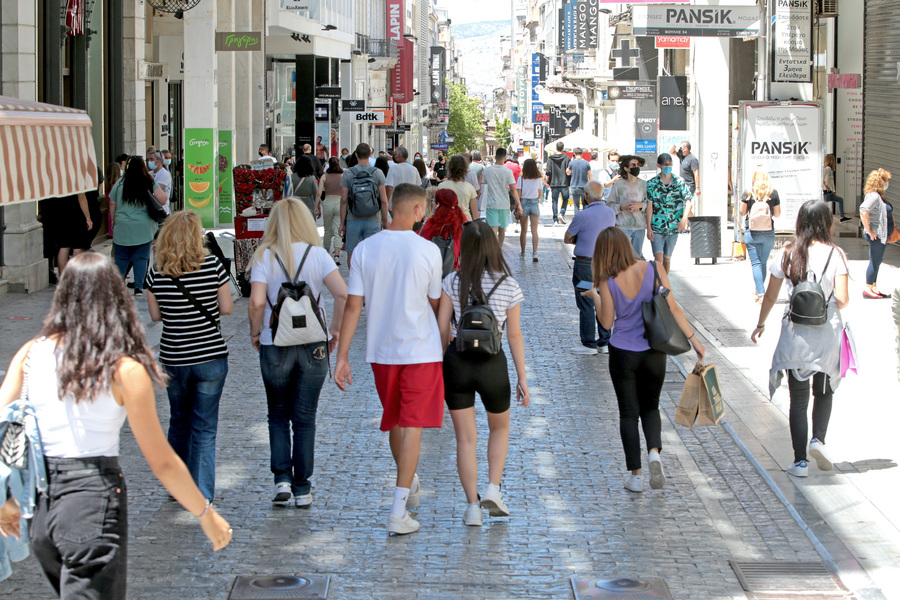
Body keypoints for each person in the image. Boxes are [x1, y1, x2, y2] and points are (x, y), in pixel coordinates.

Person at [0, 253, 231, 599]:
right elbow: (161, 460)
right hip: (93, 503)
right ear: (115, 300)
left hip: (41, 508)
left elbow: (7, 424)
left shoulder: (30, 355)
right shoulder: (123, 369)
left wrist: (7, 499)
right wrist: (204, 512)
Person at [334, 183, 445, 535]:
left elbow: (353, 305)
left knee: (397, 420)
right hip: (421, 349)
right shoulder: (428, 251)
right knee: (411, 424)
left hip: (381, 352)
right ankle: (398, 509)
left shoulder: (365, 250)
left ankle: (406, 484)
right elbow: (434, 301)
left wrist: (342, 356)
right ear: (415, 210)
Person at [583, 227, 705, 492]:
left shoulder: (607, 280)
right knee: (651, 407)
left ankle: (636, 476)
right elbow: (673, 308)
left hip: (623, 353)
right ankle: (654, 454)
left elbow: (606, 324)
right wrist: (695, 341)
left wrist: (595, 297)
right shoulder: (654, 268)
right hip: (653, 351)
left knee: (628, 413)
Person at [248, 198, 348, 507]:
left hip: (274, 342)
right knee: (305, 418)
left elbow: (256, 302)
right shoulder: (318, 255)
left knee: (277, 414)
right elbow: (342, 293)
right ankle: (303, 487)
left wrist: (255, 331)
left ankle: (282, 480)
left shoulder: (264, 255)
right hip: (312, 343)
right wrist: (334, 329)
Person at [436, 219, 529, 526]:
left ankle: (472, 507)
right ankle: (493, 488)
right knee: (499, 429)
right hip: (493, 365)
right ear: (493, 246)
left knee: (465, 439)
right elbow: (514, 335)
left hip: (458, 363)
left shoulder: (452, 281)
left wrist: (439, 367)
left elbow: (441, 329)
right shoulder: (509, 284)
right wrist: (522, 378)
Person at [751, 200, 849, 477]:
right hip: (826, 333)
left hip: (796, 333)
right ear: (827, 223)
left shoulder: (788, 253)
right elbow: (842, 299)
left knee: (799, 399)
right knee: (824, 391)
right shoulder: (836, 254)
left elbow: (770, 295)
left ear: (800, 223)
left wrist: (760, 324)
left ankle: (800, 463)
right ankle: (818, 440)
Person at [145, 211, 232, 502]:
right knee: (205, 426)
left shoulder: (156, 270)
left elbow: (156, 316)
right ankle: (203, 492)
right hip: (210, 354)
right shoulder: (212, 265)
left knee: (178, 421)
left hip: (174, 356)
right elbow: (227, 307)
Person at [565, 181, 616, 355]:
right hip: (605, 263)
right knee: (603, 299)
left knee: (586, 302)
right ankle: (604, 341)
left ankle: (588, 344)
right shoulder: (610, 213)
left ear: (585, 196)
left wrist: (578, 238)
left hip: (585, 264)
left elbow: (567, 237)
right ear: (602, 195)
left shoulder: (582, 215)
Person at [108, 156, 169, 296]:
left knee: (121, 257)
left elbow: (112, 202)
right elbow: (163, 199)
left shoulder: (121, 182)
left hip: (123, 225)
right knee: (141, 257)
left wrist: (113, 220)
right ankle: (138, 288)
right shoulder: (148, 181)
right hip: (144, 227)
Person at [340, 143, 390, 263]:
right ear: (370, 155)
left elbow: (343, 200)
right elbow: (383, 199)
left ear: (356, 155)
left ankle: (353, 279)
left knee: (351, 252)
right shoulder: (377, 173)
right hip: (373, 219)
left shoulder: (348, 173)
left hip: (353, 218)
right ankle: (370, 279)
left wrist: (342, 223)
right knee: (373, 253)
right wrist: (384, 220)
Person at [646, 153, 693, 274]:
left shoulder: (679, 182)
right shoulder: (652, 183)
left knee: (667, 258)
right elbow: (649, 207)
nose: (668, 166)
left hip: (673, 227)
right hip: (657, 226)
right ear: (659, 165)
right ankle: (658, 283)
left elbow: (689, 202)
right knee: (658, 258)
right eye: (665, 164)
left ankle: (664, 283)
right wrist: (649, 227)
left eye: (670, 164)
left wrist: (684, 220)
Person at [740, 166, 782, 302]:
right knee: (762, 262)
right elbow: (777, 214)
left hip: (752, 232)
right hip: (768, 232)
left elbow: (742, 212)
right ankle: (759, 290)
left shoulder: (748, 193)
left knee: (756, 263)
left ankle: (761, 292)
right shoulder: (773, 193)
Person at [860, 168, 893, 299]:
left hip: (881, 235)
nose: (888, 183)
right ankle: (868, 288)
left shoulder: (878, 196)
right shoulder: (874, 196)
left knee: (877, 261)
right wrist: (869, 230)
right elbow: (863, 210)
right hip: (877, 235)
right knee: (875, 261)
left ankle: (873, 287)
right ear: (881, 182)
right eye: (886, 180)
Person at [609, 155, 648, 259]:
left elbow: (650, 205)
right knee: (624, 257)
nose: (636, 167)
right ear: (626, 168)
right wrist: (622, 207)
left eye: (638, 165)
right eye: (633, 165)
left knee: (637, 256)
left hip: (639, 226)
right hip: (622, 226)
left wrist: (640, 206)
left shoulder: (644, 185)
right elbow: (609, 206)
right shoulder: (618, 185)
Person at [419, 188, 468, 270]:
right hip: (453, 270)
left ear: (438, 204)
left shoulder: (430, 224)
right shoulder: (462, 225)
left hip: (431, 269)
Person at [481, 148, 521, 245]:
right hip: (504, 204)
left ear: (495, 157)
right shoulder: (508, 172)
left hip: (491, 203)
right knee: (502, 229)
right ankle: (499, 249)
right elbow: (512, 189)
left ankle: (494, 250)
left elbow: (482, 184)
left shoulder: (487, 170)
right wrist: (519, 204)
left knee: (493, 228)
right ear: (505, 157)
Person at [516, 158, 544, 261]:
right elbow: (540, 193)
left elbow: (518, 193)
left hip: (523, 203)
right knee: (534, 231)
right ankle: (535, 253)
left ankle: (523, 253)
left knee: (523, 230)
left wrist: (518, 206)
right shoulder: (538, 179)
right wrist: (536, 197)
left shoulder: (521, 179)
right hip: (534, 203)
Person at [438, 155, 479, 220]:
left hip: (447, 222)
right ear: (464, 169)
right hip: (465, 223)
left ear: (449, 168)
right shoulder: (469, 187)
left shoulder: (442, 186)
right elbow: (475, 214)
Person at [320, 157, 344, 264]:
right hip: (339, 202)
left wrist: (317, 206)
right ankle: (337, 255)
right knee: (339, 230)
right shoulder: (343, 176)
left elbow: (319, 193)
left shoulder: (324, 176)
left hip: (328, 201)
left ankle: (326, 253)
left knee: (327, 230)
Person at [545, 141, 571, 224]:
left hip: (554, 183)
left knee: (554, 201)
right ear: (563, 148)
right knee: (566, 199)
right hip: (564, 183)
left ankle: (555, 219)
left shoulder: (550, 158)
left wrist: (546, 182)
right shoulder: (567, 158)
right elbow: (569, 171)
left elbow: (548, 171)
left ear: (556, 148)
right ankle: (562, 213)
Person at [823, 154, 850, 223]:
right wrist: (829, 189)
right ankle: (842, 217)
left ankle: (842, 217)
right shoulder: (828, 169)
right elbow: (826, 180)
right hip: (828, 192)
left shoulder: (826, 168)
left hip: (827, 192)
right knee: (840, 200)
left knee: (828, 204)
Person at [566, 148, 592, 212]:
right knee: (585, 204)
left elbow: (567, 172)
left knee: (576, 205)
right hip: (584, 186)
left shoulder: (572, 163)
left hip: (575, 186)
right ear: (582, 154)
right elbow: (590, 175)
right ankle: (585, 219)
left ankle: (577, 219)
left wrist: (571, 161)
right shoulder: (586, 163)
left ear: (574, 154)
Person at [147, 150, 173, 214]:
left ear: (159, 160)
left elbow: (154, 190)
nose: (149, 161)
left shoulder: (164, 174)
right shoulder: (150, 173)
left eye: (152, 159)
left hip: (162, 210)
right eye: (148, 159)